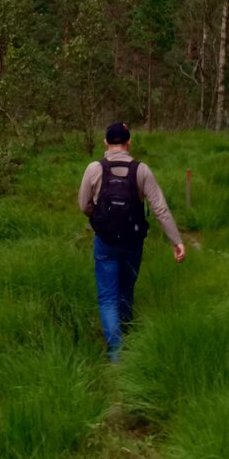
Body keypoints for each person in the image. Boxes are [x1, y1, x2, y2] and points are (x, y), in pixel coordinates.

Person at [78, 121, 185, 361]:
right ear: (129, 142)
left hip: (104, 241)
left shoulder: (94, 169)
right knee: (126, 289)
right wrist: (175, 241)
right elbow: (160, 209)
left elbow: (83, 204)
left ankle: (116, 352)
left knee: (107, 297)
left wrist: (97, 217)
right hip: (133, 241)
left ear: (105, 142)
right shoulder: (141, 170)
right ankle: (125, 329)